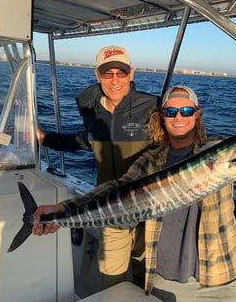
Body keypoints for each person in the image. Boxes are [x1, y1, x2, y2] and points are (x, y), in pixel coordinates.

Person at [34, 85, 236, 301]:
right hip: (163, 279)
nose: (179, 116)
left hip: (220, 278)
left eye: (187, 110)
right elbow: (116, 188)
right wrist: (62, 210)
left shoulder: (219, 148)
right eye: (171, 111)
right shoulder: (150, 161)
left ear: (197, 115)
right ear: (162, 117)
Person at [37, 45, 159, 290]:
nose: (115, 80)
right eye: (107, 73)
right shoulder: (92, 110)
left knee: (145, 278)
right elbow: (83, 141)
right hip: (108, 209)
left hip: (149, 210)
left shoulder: (152, 106)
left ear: (131, 74)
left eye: (121, 73)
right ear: (97, 75)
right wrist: (45, 138)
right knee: (111, 281)